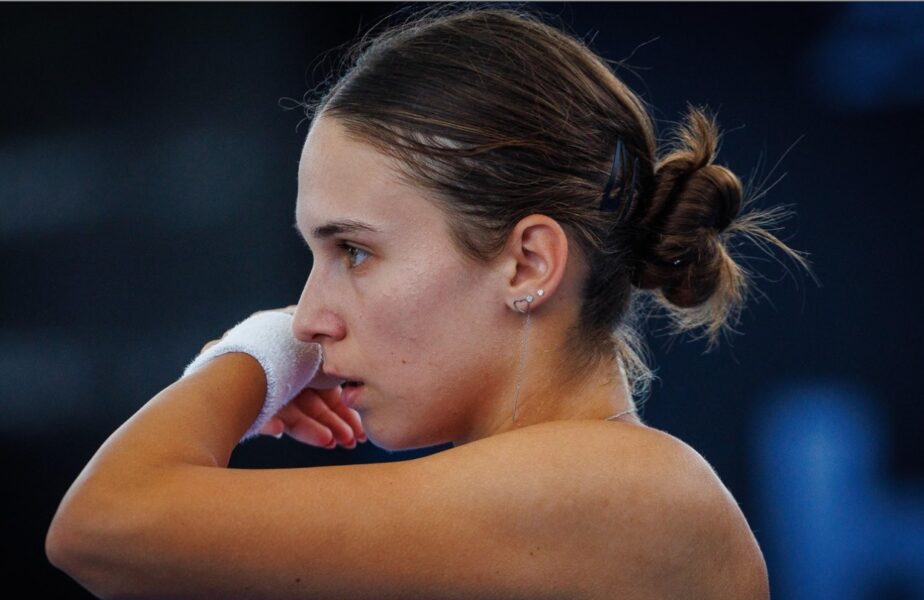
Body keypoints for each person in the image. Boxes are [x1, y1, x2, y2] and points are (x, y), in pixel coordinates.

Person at [46, 4, 811, 598]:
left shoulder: (630, 494)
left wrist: (258, 354)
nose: (309, 316)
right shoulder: (569, 496)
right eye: (316, 255)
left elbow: (105, 524)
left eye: (354, 251)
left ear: (527, 264)